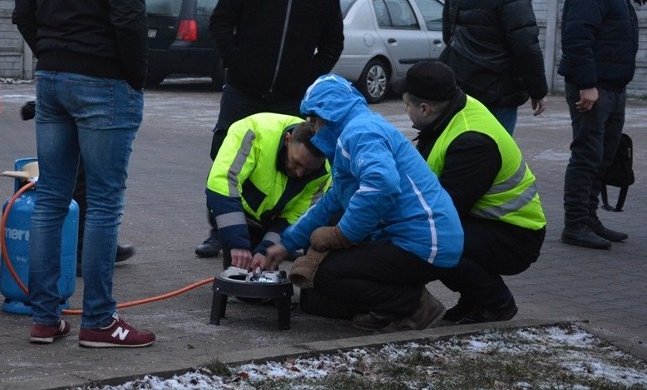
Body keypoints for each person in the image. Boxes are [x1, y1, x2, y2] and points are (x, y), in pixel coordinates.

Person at [12, 0, 155, 347]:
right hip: (105, 86)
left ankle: (45, 318)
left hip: (51, 80)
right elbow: (130, 20)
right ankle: (98, 321)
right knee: (103, 205)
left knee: (52, 197)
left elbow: (22, 13)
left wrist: (51, 54)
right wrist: (133, 78)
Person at [264, 75, 464, 334]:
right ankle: (391, 307)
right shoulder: (351, 134)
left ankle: (413, 306)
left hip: (426, 242)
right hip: (417, 239)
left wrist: (341, 234)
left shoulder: (360, 132)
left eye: (314, 121)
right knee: (328, 266)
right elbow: (331, 201)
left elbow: (381, 185)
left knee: (326, 275)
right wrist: (286, 243)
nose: (312, 129)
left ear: (329, 114)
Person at [195, 0, 345, 258]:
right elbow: (220, 20)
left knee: (291, 165)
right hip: (243, 90)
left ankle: (271, 232)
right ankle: (219, 231)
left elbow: (333, 43)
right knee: (225, 156)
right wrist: (236, 61)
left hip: (292, 98)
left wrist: (309, 76)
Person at [394, 61, 546, 324]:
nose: (405, 111)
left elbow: (447, 209)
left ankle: (497, 303)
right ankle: (474, 299)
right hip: (492, 224)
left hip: (514, 236)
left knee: (433, 240)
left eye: (406, 105)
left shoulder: (471, 141)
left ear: (425, 109)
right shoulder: (453, 109)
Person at [558, 0, 643, 250]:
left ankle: (589, 218)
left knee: (604, 156)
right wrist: (587, 86)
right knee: (587, 156)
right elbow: (577, 39)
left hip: (612, 88)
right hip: (594, 89)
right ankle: (575, 223)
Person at [439, 0, 548, 134]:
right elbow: (526, 48)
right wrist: (538, 91)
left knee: (460, 147)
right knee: (497, 152)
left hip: (460, 87)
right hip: (499, 94)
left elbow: (448, 36)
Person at [20, 99, 135, 273]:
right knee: (90, 188)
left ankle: (94, 249)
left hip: (71, 100)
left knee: (58, 194)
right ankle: (86, 252)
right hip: (90, 104)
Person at [207, 113, 330, 271]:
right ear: (287, 140)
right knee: (238, 271)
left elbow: (295, 217)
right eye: (297, 163)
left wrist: (267, 250)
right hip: (235, 208)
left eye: (308, 170)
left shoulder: (325, 172)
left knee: (261, 273)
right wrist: (237, 242)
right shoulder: (252, 132)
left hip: (271, 217)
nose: (300, 173)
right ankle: (222, 234)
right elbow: (221, 183)